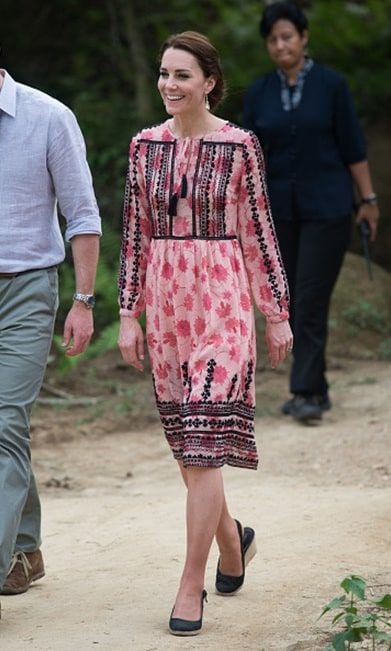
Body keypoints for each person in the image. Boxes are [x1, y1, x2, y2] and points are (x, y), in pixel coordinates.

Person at [118, 30, 292, 636]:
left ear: (209, 83)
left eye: (182, 75)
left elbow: (258, 233)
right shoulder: (144, 147)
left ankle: (189, 586)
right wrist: (126, 312)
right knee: (190, 452)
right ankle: (232, 538)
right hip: (166, 309)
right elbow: (135, 234)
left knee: (204, 436)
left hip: (222, 304)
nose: (169, 84)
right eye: (164, 74)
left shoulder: (241, 146)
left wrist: (275, 312)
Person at [243, 1, 380, 423]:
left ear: (303, 38)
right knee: (290, 301)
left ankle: (307, 392)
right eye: (272, 40)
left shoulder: (331, 86)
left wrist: (368, 200)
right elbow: (247, 153)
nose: (280, 45)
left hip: (328, 209)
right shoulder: (259, 92)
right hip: (277, 214)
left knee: (311, 296)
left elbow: (353, 147)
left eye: (287, 36)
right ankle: (314, 387)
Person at [0, 68, 101, 618]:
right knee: (5, 424)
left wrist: (83, 302)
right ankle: (23, 549)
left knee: (2, 421)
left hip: (27, 289)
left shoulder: (49, 116)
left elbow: (82, 214)